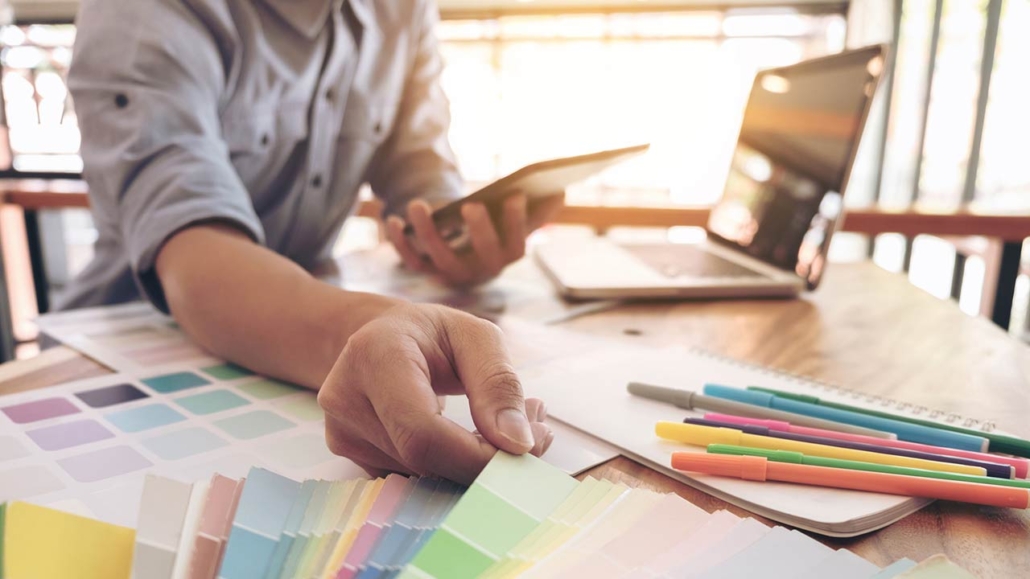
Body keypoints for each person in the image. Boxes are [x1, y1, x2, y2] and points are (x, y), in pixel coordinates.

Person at [61, 0, 557, 484]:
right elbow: (191, 246)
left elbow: (419, 175)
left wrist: (456, 242)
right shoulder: (139, 11)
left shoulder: (404, 9)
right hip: (120, 352)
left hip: (302, 344)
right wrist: (369, 329)